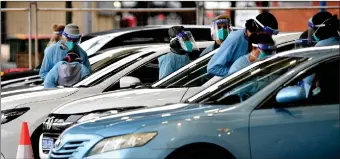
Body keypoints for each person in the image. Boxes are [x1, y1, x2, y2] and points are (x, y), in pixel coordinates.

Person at [207, 12, 279, 77]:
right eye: (267, 35)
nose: (267, 39)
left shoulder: (259, 42)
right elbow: (212, 68)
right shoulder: (235, 39)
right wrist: (238, 74)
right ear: (257, 29)